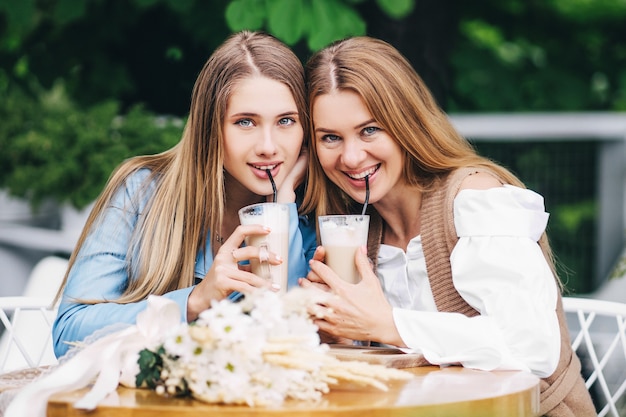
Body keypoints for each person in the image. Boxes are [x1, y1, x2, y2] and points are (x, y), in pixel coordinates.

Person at [299, 36, 595, 416]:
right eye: (330, 138)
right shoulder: (359, 231)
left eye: (370, 130)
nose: (352, 156)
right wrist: (345, 334)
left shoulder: (477, 201)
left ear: (404, 122)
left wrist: (390, 325)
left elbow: (532, 348)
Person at [52, 31, 317, 358]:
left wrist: (281, 209)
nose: (268, 147)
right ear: (211, 127)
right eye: (245, 122)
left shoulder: (311, 215)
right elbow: (69, 334)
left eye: (286, 121)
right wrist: (194, 302)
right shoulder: (142, 194)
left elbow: (290, 337)